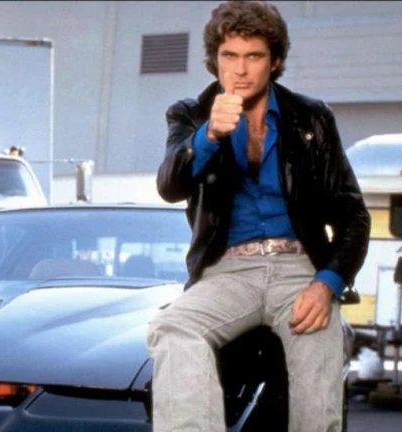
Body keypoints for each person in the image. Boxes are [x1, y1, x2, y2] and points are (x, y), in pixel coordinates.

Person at [146, 1, 371, 431]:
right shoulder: (190, 114)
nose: (241, 69)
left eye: (254, 56)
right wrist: (209, 134)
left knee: (320, 353)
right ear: (215, 60)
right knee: (172, 327)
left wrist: (327, 284)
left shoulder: (311, 117)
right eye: (230, 56)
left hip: (299, 270)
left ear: (275, 61)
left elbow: (354, 215)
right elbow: (170, 186)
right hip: (227, 272)